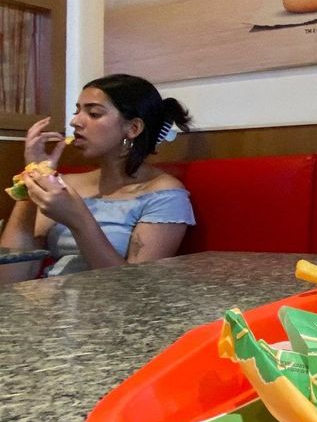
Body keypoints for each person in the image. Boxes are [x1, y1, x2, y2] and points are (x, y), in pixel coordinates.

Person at [0, 74, 195, 281]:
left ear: (133, 128)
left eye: (93, 113)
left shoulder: (164, 194)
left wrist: (78, 219)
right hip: (48, 305)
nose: (75, 121)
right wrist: (33, 175)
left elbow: (138, 291)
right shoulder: (66, 184)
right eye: (77, 111)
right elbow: (9, 278)